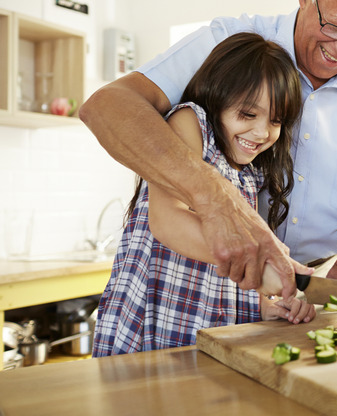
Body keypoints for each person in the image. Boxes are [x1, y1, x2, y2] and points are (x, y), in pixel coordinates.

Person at [80, 0, 337, 301]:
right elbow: (107, 106)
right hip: (193, 291)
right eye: (335, 25)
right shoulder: (231, 45)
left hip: (294, 298)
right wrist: (217, 200)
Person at [93, 32, 317, 356]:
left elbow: (227, 279)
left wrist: (266, 307)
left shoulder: (251, 175)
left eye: (276, 121)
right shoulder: (190, 124)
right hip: (150, 337)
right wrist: (263, 263)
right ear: (218, 98)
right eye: (248, 114)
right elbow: (168, 222)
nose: (262, 132)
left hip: (206, 344)